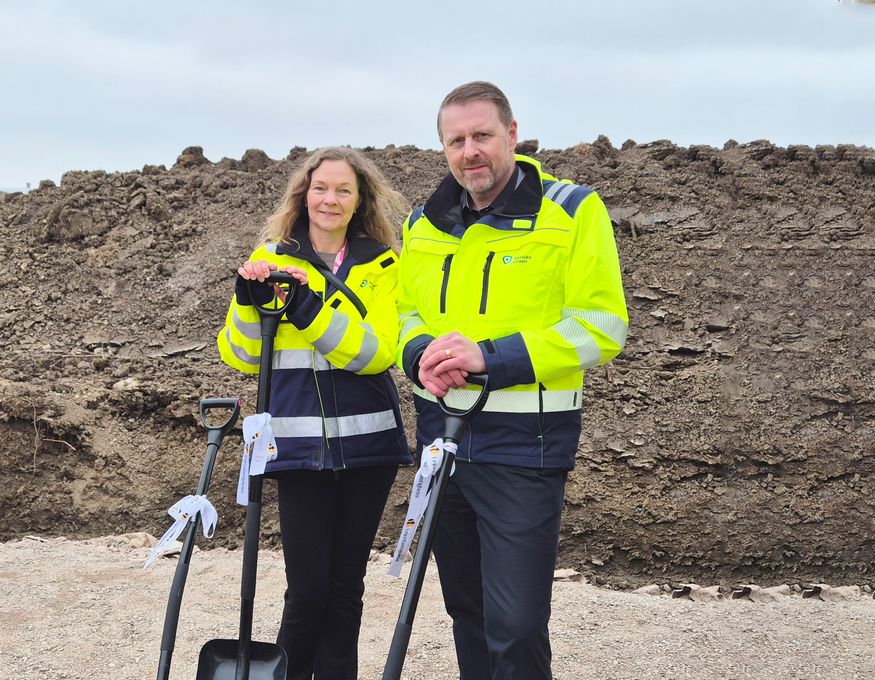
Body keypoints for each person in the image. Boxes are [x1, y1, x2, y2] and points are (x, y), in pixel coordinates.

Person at [395, 82, 628, 679]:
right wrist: (420, 350)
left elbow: (600, 327)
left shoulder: (572, 210)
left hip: (526, 446)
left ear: (513, 135)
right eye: (456, 141)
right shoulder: (424, 222)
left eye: (482, 136)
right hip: (441, 439)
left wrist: (489, 359)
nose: (469, 152)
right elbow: (407, 313)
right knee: (467, 612)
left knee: (516, 624)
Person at [217, 147, 413, 680]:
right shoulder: (273, 256)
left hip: (368, 447)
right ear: (304, 193)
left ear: (359, 200)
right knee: (307, 590)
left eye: (343, 190)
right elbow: (241, 354)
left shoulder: (384, 265)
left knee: (347, 588)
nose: (330, 199)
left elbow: (377, 353)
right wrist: (251, 303)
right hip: (297, 447)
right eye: (321, 187)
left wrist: (306, 308)